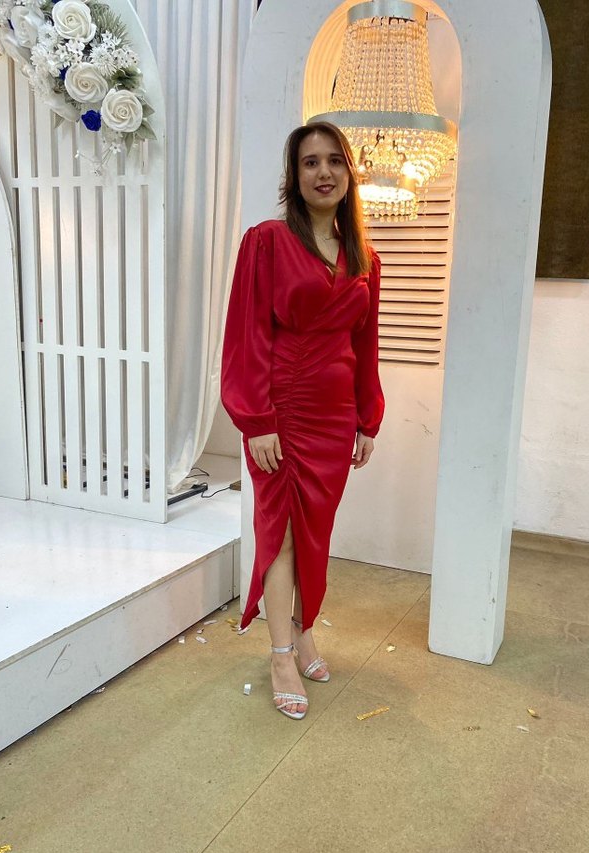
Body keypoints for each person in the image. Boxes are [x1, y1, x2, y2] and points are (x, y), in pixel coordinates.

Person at [221, 121, 384, 720]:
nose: (324, 173)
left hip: (335, 416)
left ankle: (303, 628)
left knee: (315, 532)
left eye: (334, 161)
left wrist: (367, 417)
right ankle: (281, 654)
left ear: (349, 173)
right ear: (294, 175)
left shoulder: (365, 258)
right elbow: (246, 334)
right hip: (282, 413)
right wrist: (256, 420)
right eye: (310, 162)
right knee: (282, 533)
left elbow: (365, 346)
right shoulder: (266, 242)